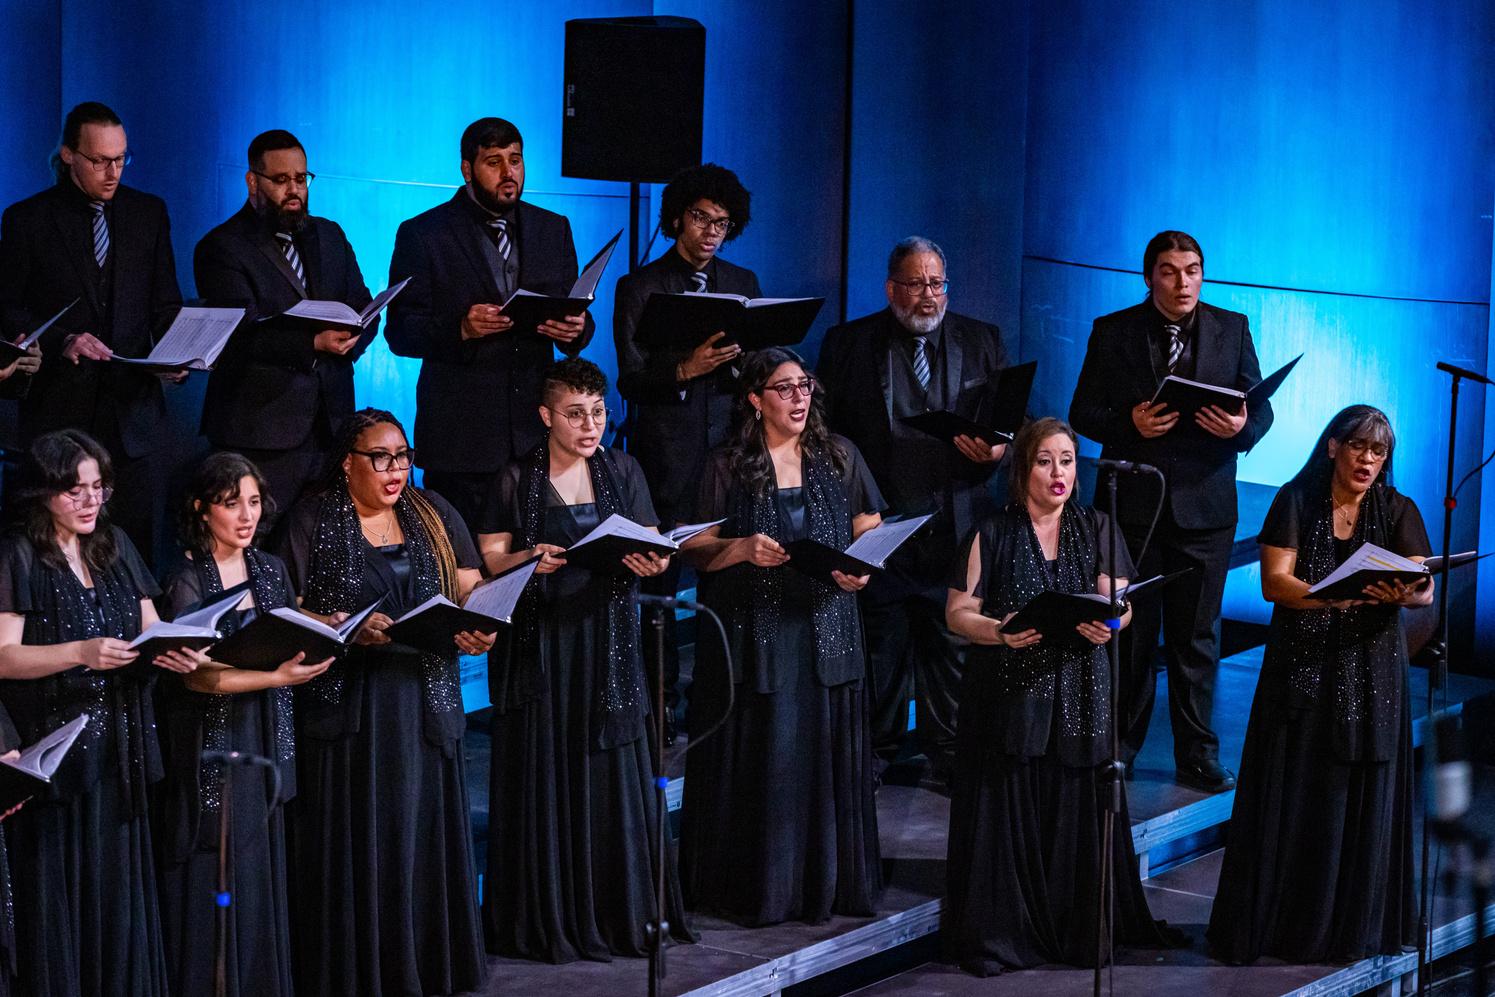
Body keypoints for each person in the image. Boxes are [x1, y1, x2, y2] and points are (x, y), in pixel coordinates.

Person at [942, 417, 1175, 975]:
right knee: (1011, 803)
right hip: (1010, 696)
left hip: (1079, 693)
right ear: (1024, 467)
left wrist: (1111, 622)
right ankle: (1005, 934)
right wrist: (999, 631)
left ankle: (1074, 928)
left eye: (1067, 461)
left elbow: (1119, 603)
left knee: (1075, 801)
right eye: (1045, 461)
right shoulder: (991, 531)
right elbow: (957, 613)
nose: (1058, 473)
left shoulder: (1096, 526)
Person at [476, 358, 692, 962]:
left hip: (607, 637)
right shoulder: (516, 477)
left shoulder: (623, 469)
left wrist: (655, 560)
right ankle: (549, 913)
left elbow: (651, 541)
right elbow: (490, 558)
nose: (590, 425)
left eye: (597, 412)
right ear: (546, 416)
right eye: (575, 414)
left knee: (609, 770)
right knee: (546, 765)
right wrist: (527, 559)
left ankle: (616, 909)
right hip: (543, 642)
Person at [277, 409, 493, 995]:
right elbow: (287, 604)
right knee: (363, 840)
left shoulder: (433, 510)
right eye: (380, 458)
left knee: (420, 835)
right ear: (347, 463)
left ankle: (424, 963)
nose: (395, 469)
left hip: (424, 697)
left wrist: (481, 624)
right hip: (355, 707)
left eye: (402, 456)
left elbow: (470, 585)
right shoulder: (314, 518)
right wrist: (344, 625)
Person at [1208, 405, 1430, 964]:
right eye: (1358, 447)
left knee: (1358, 787)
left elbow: (1423, 585)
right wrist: (1335, 595)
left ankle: (1351, 927)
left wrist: (1403, 592)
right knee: (1299, 781)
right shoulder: (1296, 500)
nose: (1367, 460)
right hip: (1304, 666)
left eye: (1378, 451)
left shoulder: (1398, 508)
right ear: (1333, 447)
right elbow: (1275, 583)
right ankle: (1284, 924)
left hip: (1372, 670)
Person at [679, 347, 884, 926]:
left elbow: (869, 524)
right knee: (768, 755)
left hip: (827, 626)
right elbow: (692, 546)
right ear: (754, 399)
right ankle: (761, 888)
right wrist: (741, 549)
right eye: (784, 388)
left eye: (804, 386)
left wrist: (861, 566)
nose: (799, 398)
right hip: (759, 633)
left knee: (822, 755)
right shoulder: (726, 464)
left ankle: (826, 884)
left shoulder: (839, 454)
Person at [0, 429, 206, 997]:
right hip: (58, 747)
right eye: (75, 490)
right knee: (62, 892)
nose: (91, 500)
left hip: (121, 744)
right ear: (42, 491)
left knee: (117, 894)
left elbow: (149, 628)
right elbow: (4, 656)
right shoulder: (18, 552)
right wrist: (80, 653)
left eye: (99, 487)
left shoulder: (113, 544)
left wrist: (175, 651)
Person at [1068, 230, 1274, 793]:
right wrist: (1127, 423)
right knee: (1130, 636)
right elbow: (1082, 411)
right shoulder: (1113, 331)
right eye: (1169, 271)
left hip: (1206, 508)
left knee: (1197, 638)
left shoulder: (1233, 328)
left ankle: (1198, 755)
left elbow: (1260, 410)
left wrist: (1242, 428)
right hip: (1134, 509)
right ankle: (1120, 749)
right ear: (1149, 277)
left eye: (1192, 271)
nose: (1183, 283)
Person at [819, 236, 1008, 780]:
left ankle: (948, 758)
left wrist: (998, 449)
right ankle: (874, 756)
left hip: (957, 520)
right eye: (916, 284)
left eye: (937, 283)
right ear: (890, 288)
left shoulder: (982, 339)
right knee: (882, 646)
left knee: (952, 646)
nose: (928, 295)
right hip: (881, 524)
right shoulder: (848, 343)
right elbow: (825, 433)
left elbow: (1010, 423)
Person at [154, 452, 333, 997]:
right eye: (232, 504)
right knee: (217, 866)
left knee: (257, 868)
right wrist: (275, 677)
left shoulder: (270, 568)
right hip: (215, 738)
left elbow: (284, 628)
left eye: (254, 502)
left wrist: (323, 629)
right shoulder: (186, 579)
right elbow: (198, 677)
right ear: (201, 508)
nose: (247, 515)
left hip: (265, 732)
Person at [386, 116, 593, 530]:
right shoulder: (424, 233)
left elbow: (576, 312)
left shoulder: (553, 228)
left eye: (515, 160)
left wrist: (577, 332)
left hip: (537, 434)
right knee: (464, 558)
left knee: (538, 553)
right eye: (494, 162)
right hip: (461, 439)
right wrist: (460, 328)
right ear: (467, 169)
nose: (508, 172)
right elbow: (400, 331)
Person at [0, 102, 185, 565]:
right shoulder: (28, 219)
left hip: (133, 419)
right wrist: (63, 339)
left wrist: (179, 353)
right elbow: (7, 307)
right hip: (61, 414)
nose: (113, 172)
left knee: (134, 554)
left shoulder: (147, 213)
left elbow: (165, 303)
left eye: (121, 159)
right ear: (68, 155)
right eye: (100, 161)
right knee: (53, 555)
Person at [613, 162, 759, 744]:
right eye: (700, 218)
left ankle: (721, 702)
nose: (710, 232)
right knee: (660, 589)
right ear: (677, 217)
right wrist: (684, 369)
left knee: (733, 577)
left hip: (732, 455)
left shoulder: (742, 282)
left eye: (721, 223)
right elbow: (629, 380)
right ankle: (659, 709)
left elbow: (758, 364)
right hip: (666, 458)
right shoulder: (641, 286)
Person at [194, 130, 378, 525]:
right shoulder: (222, 246)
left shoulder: (329, 235)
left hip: (331, 428)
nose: (294, 190)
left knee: (324, 543)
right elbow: (238, 335)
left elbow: (364, 306)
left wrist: (354, 337)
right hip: (260, 432)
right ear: (252, 181)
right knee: (258, 540)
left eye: (301, 178)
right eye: (280, 180)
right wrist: (313, 343)